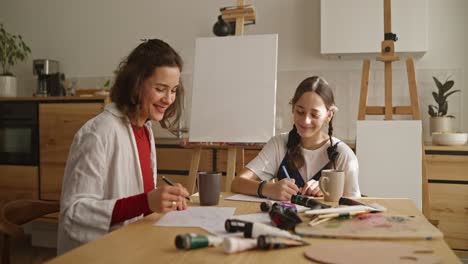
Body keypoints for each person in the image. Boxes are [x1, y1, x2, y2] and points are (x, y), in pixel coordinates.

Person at [57, 39, 189, 254]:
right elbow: (75, 213)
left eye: (174, 90)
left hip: (135, 245)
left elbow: (140, 201)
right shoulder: (98, 133)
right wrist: (147, 202)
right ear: (136, 84)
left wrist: (165, 200)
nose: (169, 99)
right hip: (96, 254)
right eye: (160, 89)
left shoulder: (145, 129)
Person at [231, 76, 361, 201]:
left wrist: (330, 193)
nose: (306, 120)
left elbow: (355, 206)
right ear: (293, 108)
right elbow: (237, 183)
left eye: (314, 114)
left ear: (329, 115)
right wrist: (268, 188)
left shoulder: (343, 155)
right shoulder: (279, 144)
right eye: (300, 112)